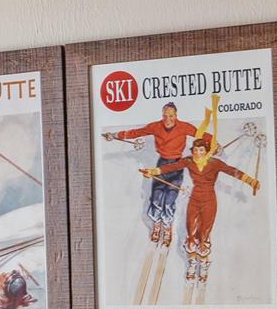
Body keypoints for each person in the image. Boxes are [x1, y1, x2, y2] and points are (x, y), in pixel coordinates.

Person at [105, 100, 195, 245]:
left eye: (171, 116)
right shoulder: (156, 126)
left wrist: (214, 144)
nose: (168, 119)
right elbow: (136, 133)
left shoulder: (184, 127)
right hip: (162, 163)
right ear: (162, 115)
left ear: (176, 115)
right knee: (157, 197)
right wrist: (115, 135)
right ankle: (157, 225)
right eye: (165, 115)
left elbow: (201, 134)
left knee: (170, 198)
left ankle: (167, 227)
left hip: (178, 165)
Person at [179, 130, 261, 284]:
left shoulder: (215, 163)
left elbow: (232, 171)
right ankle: (192, 263)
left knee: (203, 235)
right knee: (191, 232)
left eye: (201, 150)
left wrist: (250, 181)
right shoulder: (189, 161)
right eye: (195, 150)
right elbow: (171, 167)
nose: (197, 153)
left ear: (206, 151)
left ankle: (203, 264)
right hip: (194, 200)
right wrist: (154, 171)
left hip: (209, 201)